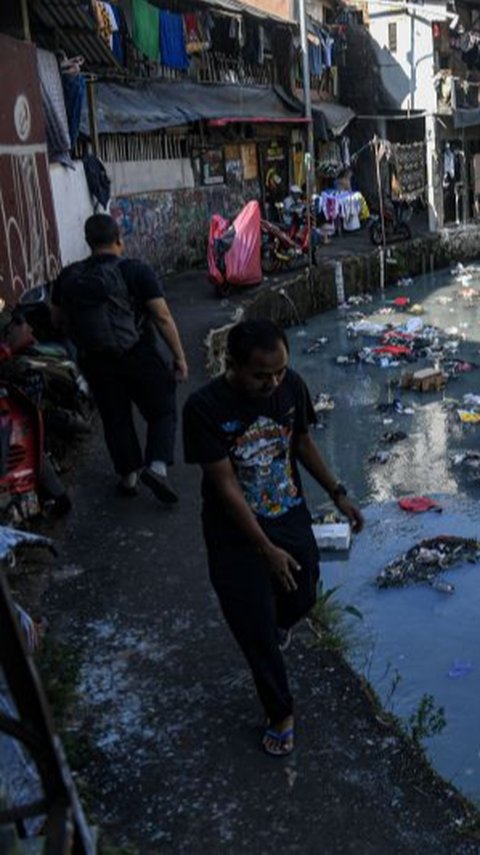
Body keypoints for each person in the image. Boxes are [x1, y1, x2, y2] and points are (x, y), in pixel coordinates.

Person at [183, 319, 363, 756]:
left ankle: (282, 620)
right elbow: (224, 485)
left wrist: (338, 494)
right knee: (254, 631)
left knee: (303, 595)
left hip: (289, 514)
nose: (274, 382)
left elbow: (301, 443)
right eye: (262, 375)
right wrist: (265, 549)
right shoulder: (204, 409)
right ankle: (280, 712)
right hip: (235, 532)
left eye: (281, 371)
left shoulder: (291, 387)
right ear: (232, 364)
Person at [52, 213, 188, 503]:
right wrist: (179, 357)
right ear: (119, 240)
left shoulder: (69, 276)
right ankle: (157, 467)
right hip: (137, 353)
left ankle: (128, 476)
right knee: (162, 409)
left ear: (88, 242)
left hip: (96, 360)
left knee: (116, 418)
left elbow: (58, 320)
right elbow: (162, 317)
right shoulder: (135, 270)